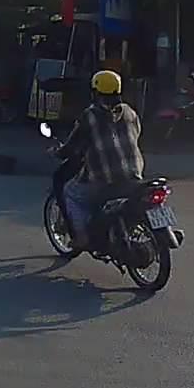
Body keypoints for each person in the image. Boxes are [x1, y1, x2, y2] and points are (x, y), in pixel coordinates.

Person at [55, 69, 145, 251]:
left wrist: (58, 152)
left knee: (70, 193)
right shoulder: (130, 112)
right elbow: (137, 134)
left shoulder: (89, 116)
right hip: (134, 174)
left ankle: (82, 237)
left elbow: (73, 145)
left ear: (95, 92)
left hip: (104, 180)